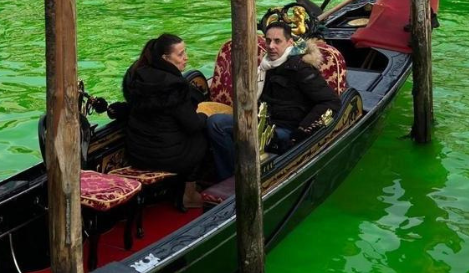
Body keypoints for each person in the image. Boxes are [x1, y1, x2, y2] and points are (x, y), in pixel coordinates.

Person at [205, 21, 340, 180]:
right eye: (268, 41)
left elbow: (331, 102)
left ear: (289, 43)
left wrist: (303, 129)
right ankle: (230, 178)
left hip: (286, 130)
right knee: (215, 123)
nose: (271, 46)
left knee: (260, 135)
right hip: (261, 121)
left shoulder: (301, 69)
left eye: (277, 41)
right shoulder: (265, 66)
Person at [121, 33, 210, 209]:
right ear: (165, 58)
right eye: (180, 54)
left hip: (137, 152)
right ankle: (189, 194)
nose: (186, 58)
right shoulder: (175, 85)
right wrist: (205, 116)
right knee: (200, 138)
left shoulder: (136, 76)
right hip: (165, 158)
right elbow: (192, 124)